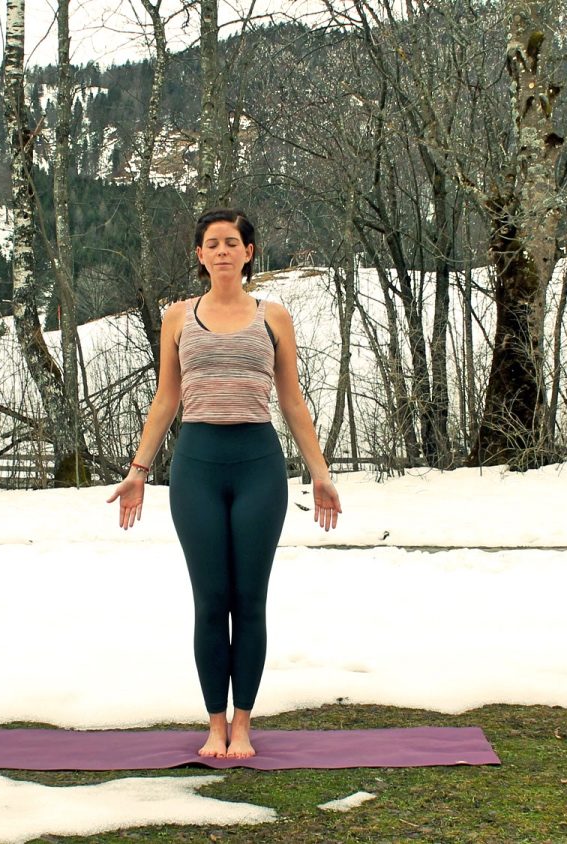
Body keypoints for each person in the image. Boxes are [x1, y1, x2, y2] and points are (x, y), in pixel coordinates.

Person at [107, 208, 342, 759]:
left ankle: (244, 723)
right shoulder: (176, 318)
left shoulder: (274, 317)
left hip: (258, 463)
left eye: (231, 243)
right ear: (199, 254)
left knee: (249, 599)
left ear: (248, 252)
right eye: (211, 243)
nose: (221, 252)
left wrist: (321, 473)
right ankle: (215, 724)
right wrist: (139, 471)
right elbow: (167, 398)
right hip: (197, 465)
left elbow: (292, 401)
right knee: (212, 600)